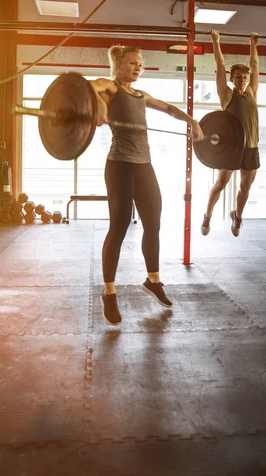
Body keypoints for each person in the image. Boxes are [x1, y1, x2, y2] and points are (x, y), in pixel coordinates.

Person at [90, 45, 203, 326]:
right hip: (119, 165)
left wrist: (192, 121)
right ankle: (109, 292)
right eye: (132, 63)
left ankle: (153, 280)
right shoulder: (109, 87)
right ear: (117, 63)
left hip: (144, 165)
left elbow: (168, 109)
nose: (138, 68)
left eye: (140, 64)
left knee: (153, 223)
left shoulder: (141, 95)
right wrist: (102, 105)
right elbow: (85, 86)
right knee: (118, 227)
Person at [201, 30, 260, 238]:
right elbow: (219, 65)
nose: (242, 80)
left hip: (251, 147)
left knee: (246, 186)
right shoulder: (226, 95)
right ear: (232, 79)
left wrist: (253, 44)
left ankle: (237, 216)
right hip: (231, 149)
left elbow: (254, 66)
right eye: (238, 77)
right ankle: (207, 215)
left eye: (244, 78)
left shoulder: (252, 92)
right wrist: (215, 41)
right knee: (220, 184)